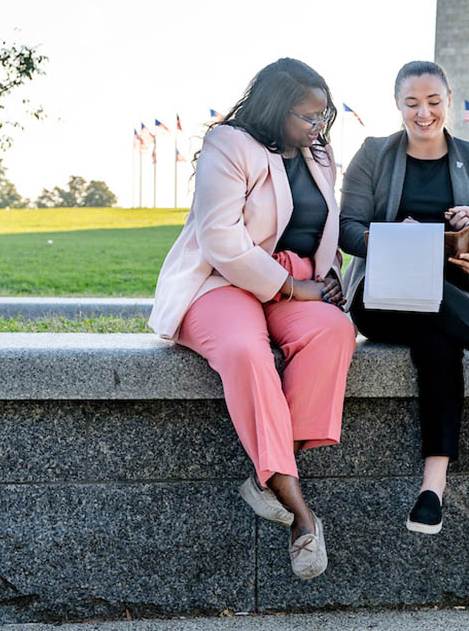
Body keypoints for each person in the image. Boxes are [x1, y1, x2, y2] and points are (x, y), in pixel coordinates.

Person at [150, 58, 355, 581]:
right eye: (309, 116)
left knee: (334, 332)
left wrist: (325, 275)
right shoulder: (229, 144)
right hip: (221, 282)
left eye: (323, 115)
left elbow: (319, 222)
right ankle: (298, 507)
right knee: (246, 351)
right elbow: (220, 239)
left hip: (295, 284)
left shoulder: (318, 154)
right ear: (276, 108)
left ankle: (264, 476)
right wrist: (291, 285)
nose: (319, 127)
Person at [338, 60, 469, 536]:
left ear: (449, 100)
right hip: (380, 296)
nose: (423, 113)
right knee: (433, 302)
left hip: (449, 298)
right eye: (412, 104)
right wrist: (392, 240)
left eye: (433, 102)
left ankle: (432, 489)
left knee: (438, 337)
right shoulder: (372, 154)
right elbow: (348, 228)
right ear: (397, 106)